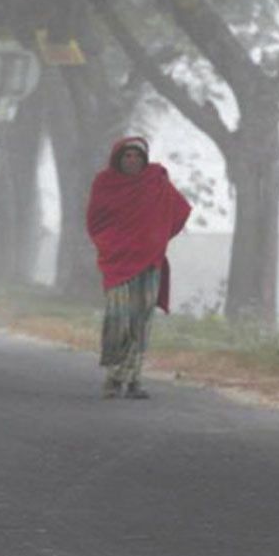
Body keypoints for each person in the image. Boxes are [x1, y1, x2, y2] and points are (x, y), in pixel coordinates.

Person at [86, 136, 191, 400]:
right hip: (118, 262)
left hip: (149, 262)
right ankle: (113, 374)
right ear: (117, 159)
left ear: (144, 160)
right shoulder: (105, 184)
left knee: (141, 321)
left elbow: (180, 210)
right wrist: (109, 246)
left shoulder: (156, 182)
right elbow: (96, 222)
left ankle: (132, 378)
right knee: (118, 318)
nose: (131, 161)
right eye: (126, 156)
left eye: (136, 156)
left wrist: (157, 237)